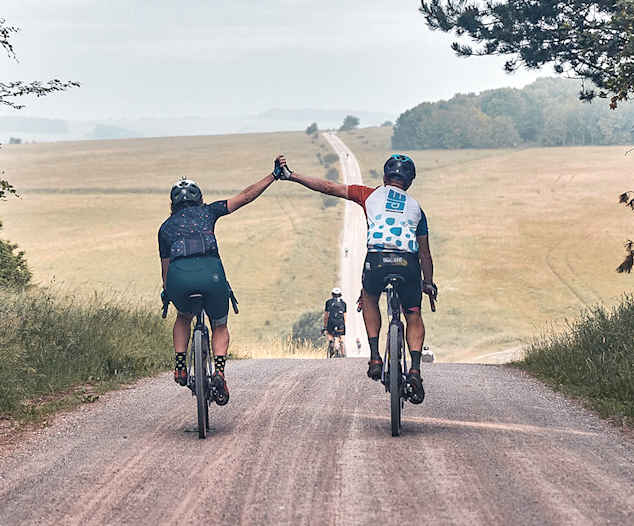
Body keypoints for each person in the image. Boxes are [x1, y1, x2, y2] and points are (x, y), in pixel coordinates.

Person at [276, 153, 436, 403]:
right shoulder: (417, 209)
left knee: (370, 297)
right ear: (410, 182)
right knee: (413, 313)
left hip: (377, 261)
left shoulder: (369, 194)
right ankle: (415, 369)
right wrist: (428, 283)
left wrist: (292, 176)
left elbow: (329, 187)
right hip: (408, 264)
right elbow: (425, 254)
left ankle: (374, 357)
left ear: (385, 177)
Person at [159, 169, 277, 405]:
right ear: (199, 198)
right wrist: (272, 176)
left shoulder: (164, 228)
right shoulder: (209, 211)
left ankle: (180, 367)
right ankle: (219, 372)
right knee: (220, 325)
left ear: (172, 204)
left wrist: (169, 292)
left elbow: (165, 271)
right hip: (211, 274)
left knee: (183, 316)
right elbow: (245, 196)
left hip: (178, 278)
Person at [323, 286, 347, 354]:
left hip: (331, 321)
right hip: (340, 321)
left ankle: (331, 343)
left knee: (329, 333)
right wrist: (343, 324)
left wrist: (325, 326)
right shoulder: (343, 303)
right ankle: (342, 347)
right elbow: (345, 317)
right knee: (342, 336)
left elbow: (326, 316)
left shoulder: (328, 302)